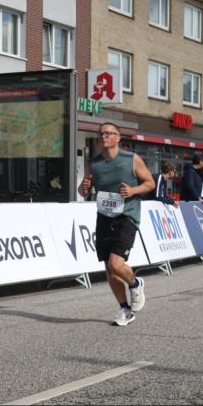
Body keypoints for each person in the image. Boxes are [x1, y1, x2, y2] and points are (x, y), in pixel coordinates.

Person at [79, 123, 155, 327]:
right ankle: (124, 308)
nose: (104, 137)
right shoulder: (93, 164)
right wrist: (84, 187)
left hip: (127, 217)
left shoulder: (131, 159)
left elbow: (150, 183)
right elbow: (83, 192)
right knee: (110, 270)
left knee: (116, 264)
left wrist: (133, 191)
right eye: (101, 134)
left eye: (108, 133)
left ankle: (136, 283)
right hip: (104, 217)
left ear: (118, 138)